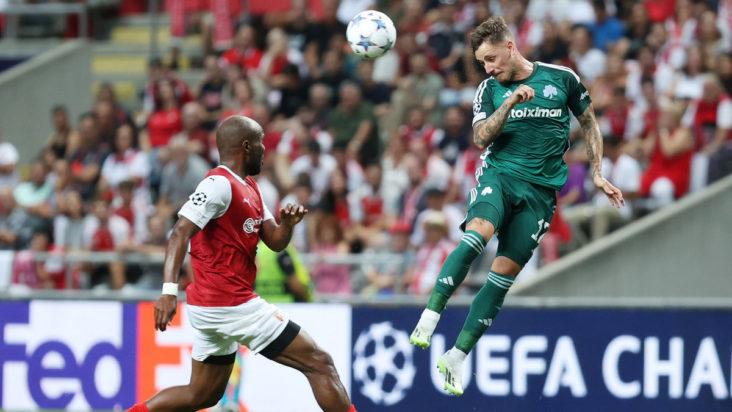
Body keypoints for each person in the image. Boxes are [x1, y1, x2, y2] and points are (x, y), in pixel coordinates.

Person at [408, 17, 624, 397]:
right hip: (500, 177)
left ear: (510, 46)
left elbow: (589, 123)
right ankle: (429, 316)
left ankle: (457, 356)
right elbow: (480, 137)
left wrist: (597, 173)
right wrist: (509, 103)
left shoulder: (561, 78)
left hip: (541, 193)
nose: (488, 68)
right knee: (477, 237)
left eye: (491, 59)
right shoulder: (490, 89)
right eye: (482, 63)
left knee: (503, 276)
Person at [126, 116, 355, 412]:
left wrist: (287, 224)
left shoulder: (251, 187)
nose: (264, 150)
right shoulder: (218, 184)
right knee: (320, 362)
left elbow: (275, 241)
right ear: (246, 146)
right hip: (229, 302)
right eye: (260, 142)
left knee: (201, 395)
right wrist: (169, 292)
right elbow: (179, 232)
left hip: (214, 305)